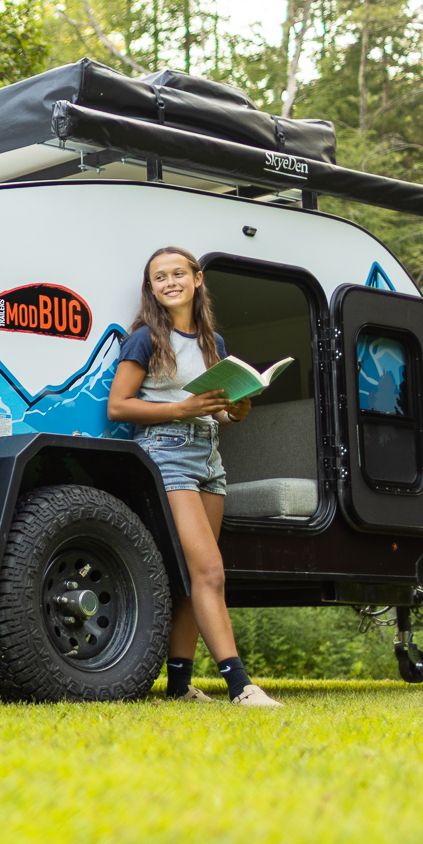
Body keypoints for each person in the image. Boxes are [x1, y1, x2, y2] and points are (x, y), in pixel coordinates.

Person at [107, 247, 281, 708]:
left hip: (209, 458)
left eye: (177, 273)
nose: (169, 282)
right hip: (166, 455)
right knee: (209, 571)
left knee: (191, 576)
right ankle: (241, 686)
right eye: (159, 277)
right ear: (152, 288)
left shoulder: (214, 344)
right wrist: (179, 408)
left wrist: (234, 409)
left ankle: (180, 686)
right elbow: (119, 406)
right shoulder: (144, 339)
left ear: (197, 279)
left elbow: (217, 412)